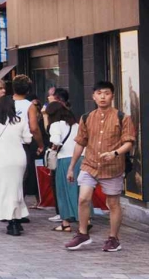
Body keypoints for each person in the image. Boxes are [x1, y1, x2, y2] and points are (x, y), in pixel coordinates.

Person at [67, 81, 136, 253]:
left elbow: (129, 142)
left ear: (112, 96)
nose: (102, 96)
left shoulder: (123, 117)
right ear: (93, 96)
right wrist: (71, 166)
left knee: (112, 203)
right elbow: (80, 143)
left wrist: (115, 153)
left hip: (112, 166)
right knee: (83, 198)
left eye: (106, 93)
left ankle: (113, 238)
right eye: (99, 93)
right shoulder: (86, 117)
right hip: (89, 164)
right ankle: (83, 234)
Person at [0, 96, 31, 235]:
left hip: (2, 159)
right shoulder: (20, 120)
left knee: (4, 188)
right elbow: (28, 139)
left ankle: (12, 222)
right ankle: (16, 218)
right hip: (18, 157)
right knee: (16, 188)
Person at [46, 102, 80, 234]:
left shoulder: (55, 125)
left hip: (64, 159)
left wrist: (53, 149)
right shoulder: (76, 125)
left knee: (63, 192)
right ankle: (85, 221)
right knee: (80, 191)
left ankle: (65, 223)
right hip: (80, 158)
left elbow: (55, 141)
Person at [13, 78, 45, 208]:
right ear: (28, 90)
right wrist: (41, 144)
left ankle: (8, 208)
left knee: (9, 179)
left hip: (5, 145)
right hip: (22, 145)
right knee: (22, 177)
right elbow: (34, 128)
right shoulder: (29, 105)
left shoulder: (4, 103)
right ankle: (19, 208)